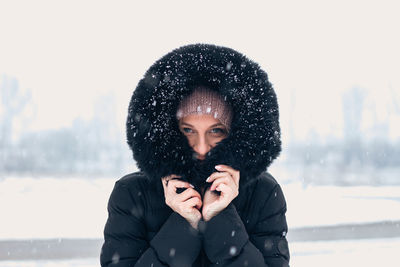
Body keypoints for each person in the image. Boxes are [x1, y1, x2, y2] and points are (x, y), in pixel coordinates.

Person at [100, 44, 290, 267]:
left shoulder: (263, 193)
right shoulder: (132, 194)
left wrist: (220, 218)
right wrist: (183, 225)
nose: (201, 147)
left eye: (216, 130)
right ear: (169, 130)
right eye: (188, 130)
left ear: (236, 133)